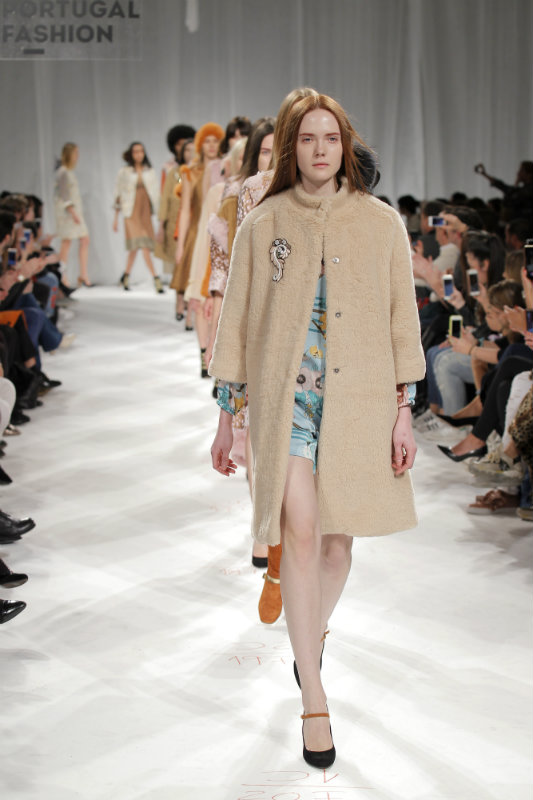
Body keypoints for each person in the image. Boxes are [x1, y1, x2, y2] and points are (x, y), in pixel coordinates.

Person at [209, 92, 425, 766]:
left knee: (336, 548)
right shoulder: (264, 221)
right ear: (290, 147)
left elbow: (402, 320)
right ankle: (314, 699)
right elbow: (236, 322)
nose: (320, 149)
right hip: (286, 405)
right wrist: (227, 419)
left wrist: (402, 410)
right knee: (300, 534)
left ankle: (310, 637)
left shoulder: (380, 223)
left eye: (331, 138)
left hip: (359, 402)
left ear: (345, 145)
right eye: (307, 139)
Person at [113, 142, 164, 294]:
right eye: (135, 151)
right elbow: (118, 193)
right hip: (131, 212)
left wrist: (160, 215)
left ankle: (126, 276)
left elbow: (156, 194)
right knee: (141, 246)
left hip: (145, 212)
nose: (139, 154)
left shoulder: (149, 171)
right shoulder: (124, 172)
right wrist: (115, 217)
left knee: (136, 249)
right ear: (131, 153)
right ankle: (156, 279)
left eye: (141, 151)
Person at [53, 143, 91, 287]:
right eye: (75, 153)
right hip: (68, 213)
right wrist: (73, 212)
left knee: (83, 240)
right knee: (67, 242)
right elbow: (64, 195)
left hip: (73, 211)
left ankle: (83, 274)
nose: (77, 156)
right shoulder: (63, 172)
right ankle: (63, 275)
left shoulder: (68, 171)